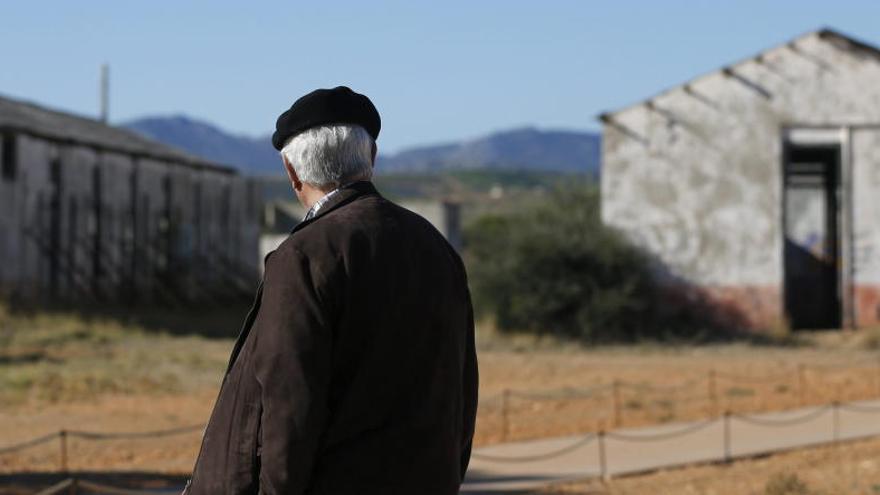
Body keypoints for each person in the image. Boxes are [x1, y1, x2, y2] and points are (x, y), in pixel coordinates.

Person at [184, 86, 478, 494]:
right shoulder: (437, 249)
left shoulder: (303, 256)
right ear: (371, 159)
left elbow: (289, 410)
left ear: (291, 172)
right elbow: (463, 397)